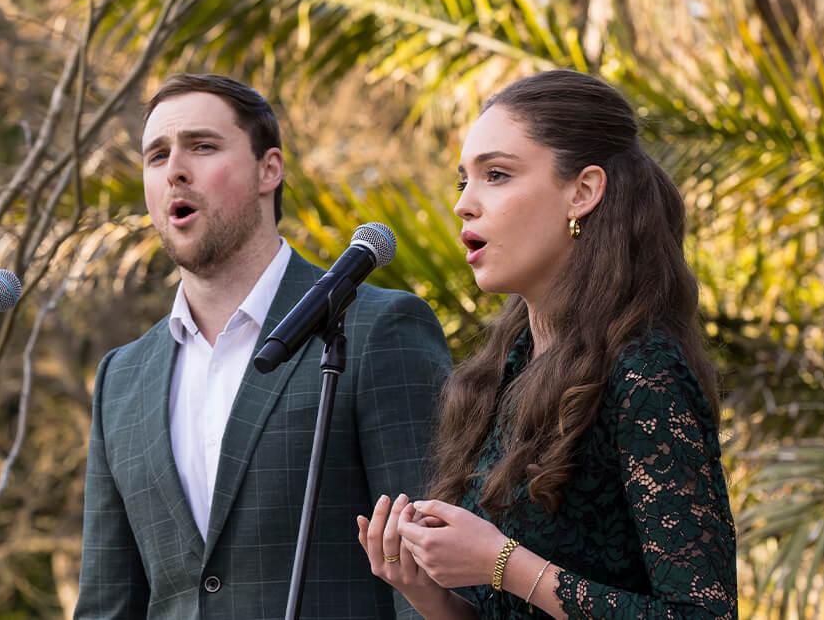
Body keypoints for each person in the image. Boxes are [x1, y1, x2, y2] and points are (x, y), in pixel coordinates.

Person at [358, 69, 738, 618]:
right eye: (462, 180)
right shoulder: (502, 374)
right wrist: (422, 587)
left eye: (496, 174)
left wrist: (502, 563)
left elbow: (704, 613)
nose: (465, 202)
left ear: (582, 192)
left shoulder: (642, 373)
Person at [75, 73, 451, 619]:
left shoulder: (377, 328)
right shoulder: (121, 378)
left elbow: (431, 579)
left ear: (268, 170)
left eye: (202, 146)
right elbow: (107, 606)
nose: (175, 169)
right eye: (156, 156)